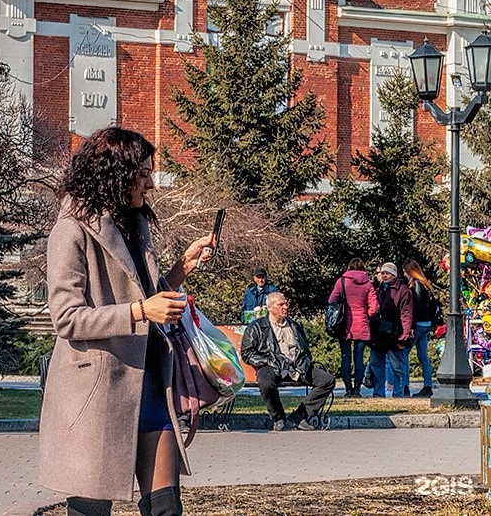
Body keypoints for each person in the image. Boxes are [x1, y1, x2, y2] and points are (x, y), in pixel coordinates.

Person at [39, 127, 214, 516]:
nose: (151, 184)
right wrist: (139, 313)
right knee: (90, 512)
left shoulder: (135, 225)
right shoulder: (70, 231)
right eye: (144, 174)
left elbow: (148, 295)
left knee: (166, 508)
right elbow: (66, 319)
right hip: (97, 392)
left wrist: (183, 265)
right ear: (116, 173)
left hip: (151, 383)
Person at [240, 291, 336, 431]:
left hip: (297, 366)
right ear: (270, 308)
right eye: (281, 304)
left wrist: (305, 363)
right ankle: (278, 417)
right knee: (266, 382)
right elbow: (247, 353)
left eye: (286, 304)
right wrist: (266, 361)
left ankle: (299, 416)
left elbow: (305, 349)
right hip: (271, 365)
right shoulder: (256, 327)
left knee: (327, 380)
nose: (285, 307)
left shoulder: (295, 326)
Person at [327, 259, 374, 397]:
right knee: (359, 358)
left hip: (344, 325)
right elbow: (374, 306)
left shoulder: (342, 281)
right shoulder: (368, 283)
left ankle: (348, 389)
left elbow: (331, 300)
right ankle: (358, 389)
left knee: (345, 357)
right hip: (361, 324)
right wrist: (367, 313)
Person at [367, 262, 413, 398]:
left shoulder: (402, 290)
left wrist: (405, 332)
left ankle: (398, 393)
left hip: (394, 332)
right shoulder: (379, 288)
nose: (384, 275)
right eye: (383, 273)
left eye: (387, 273)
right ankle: (378, 393)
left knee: (397, 366)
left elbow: (406, 312)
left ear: (394, 275)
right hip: (378, 332)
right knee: (376, 363)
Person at [403, 259, 436, 398]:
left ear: (410, 271)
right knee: (423, 356)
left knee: (404, 353)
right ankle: (428, 386)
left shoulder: (416, 284)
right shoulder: (425, 284)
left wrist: (410, 326)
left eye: (405, 271)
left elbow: (416, 307)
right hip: (426, 323)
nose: (404, 273)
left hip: (418, 323)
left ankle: (404, 385)